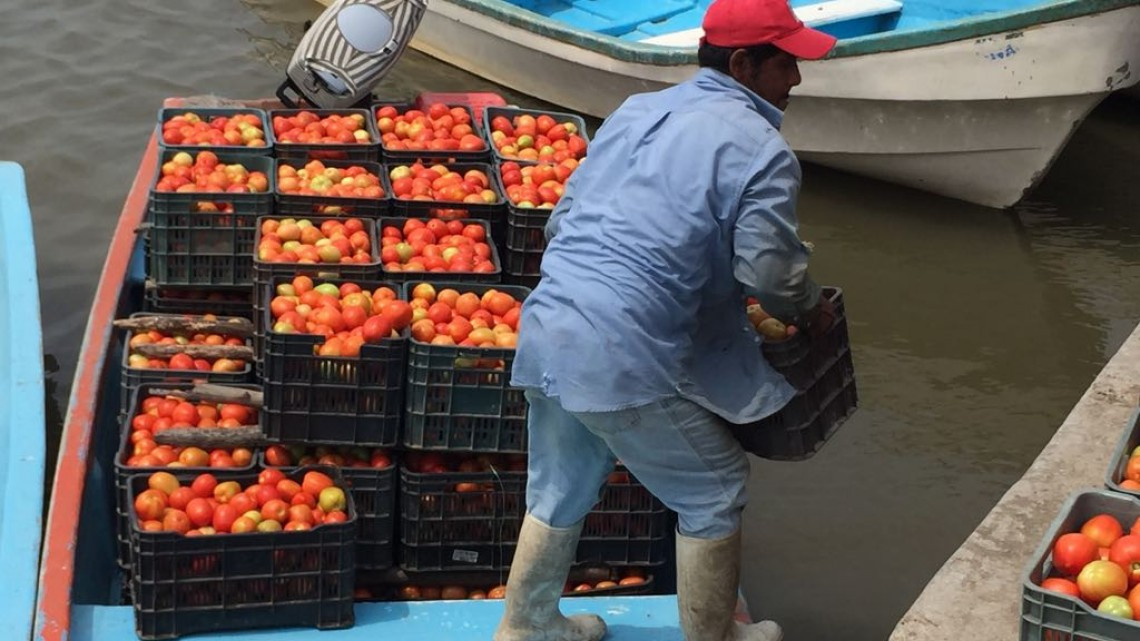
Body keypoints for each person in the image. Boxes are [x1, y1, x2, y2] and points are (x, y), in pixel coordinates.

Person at [492, 0, 837, 640]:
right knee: (715, 489)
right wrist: (808, 312)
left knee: (561, 482)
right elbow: (771, 275)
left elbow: (563, 222)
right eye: (785, 63)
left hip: (550, 323)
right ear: (743, 63)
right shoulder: (762, 148)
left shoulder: (637, 109)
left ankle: (527, 624)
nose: (795, 79)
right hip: (621, 347)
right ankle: (716, 636)